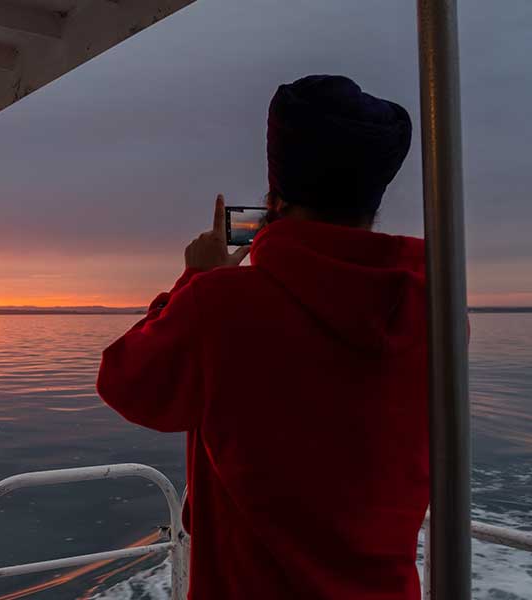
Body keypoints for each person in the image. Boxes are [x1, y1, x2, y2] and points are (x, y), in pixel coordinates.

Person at [97, 75, 428, 599]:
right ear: (373, 201)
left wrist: (194, 279)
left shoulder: (221, 305)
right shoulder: (434, 311)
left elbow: (125, 382)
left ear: (274, 201)